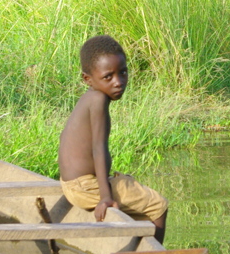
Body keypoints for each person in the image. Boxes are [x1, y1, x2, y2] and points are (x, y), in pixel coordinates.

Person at [58, 35, 168, 242]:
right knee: (158, 205)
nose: (118, 82)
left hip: (72, 184)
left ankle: (140, 249)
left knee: (130, 189)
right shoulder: (98, 101)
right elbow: (99, 149)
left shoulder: (89, 98)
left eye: (123, 73)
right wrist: (105, 197)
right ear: (87, 79)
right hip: (84, 187)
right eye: (108, 77)